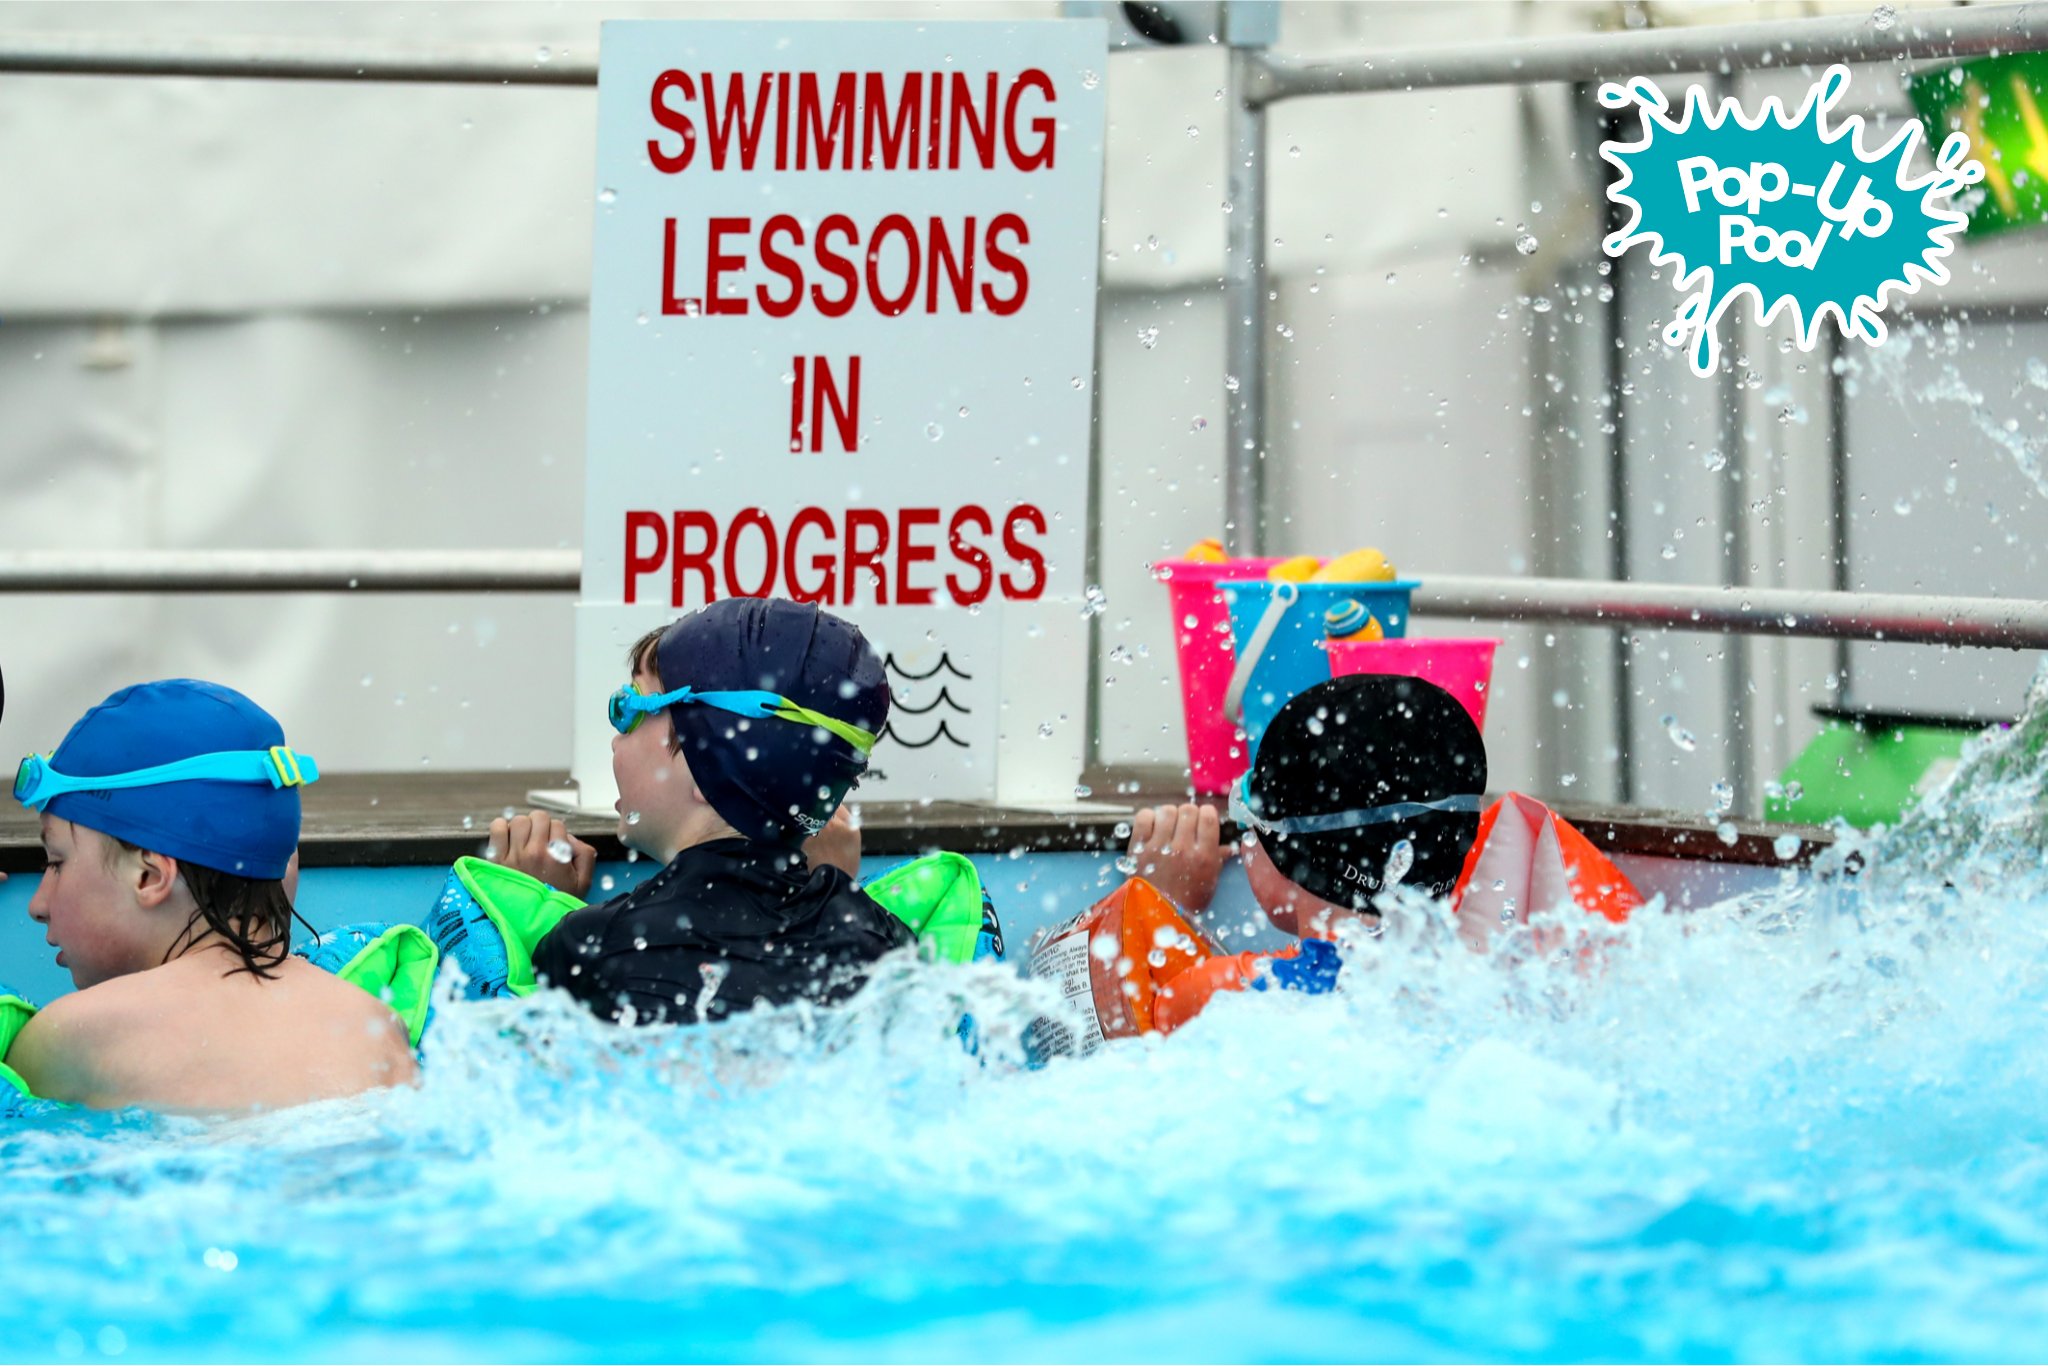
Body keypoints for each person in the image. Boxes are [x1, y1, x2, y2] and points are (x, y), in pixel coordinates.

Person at [489, 597, 914, 1026]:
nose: (617, 739)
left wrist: (526, 899)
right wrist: (842, 888)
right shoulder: (882, 943)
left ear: (708, 761)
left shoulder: (593, 946)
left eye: (630, 709)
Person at [4, 680, 418, 1112]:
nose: (37, 904)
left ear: (148, 876)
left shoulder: (71, 1037)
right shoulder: (376, 1025)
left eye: (55, 862)